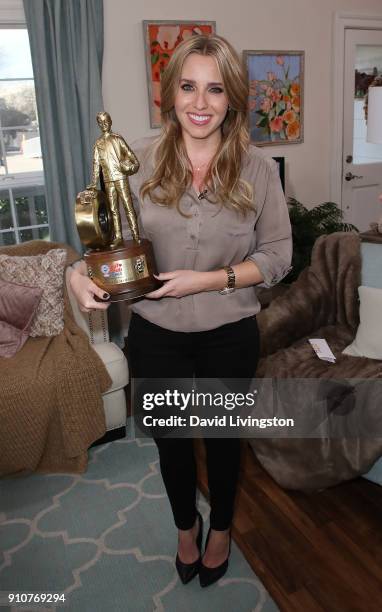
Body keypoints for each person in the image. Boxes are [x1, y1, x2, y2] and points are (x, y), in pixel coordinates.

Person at [69, 34, 292, 588]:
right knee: (171, 442)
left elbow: (279, 257)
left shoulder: (259, 169)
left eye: (215, 89)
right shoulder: (135, 159)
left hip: (229, 331)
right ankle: (185, 526)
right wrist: (77, 272)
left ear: (232, 97)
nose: (200, 102)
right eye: (189, 86)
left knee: (221, 442)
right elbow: (102, 238)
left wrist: (208, 280)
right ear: (170, 94)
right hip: (156, 334)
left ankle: (221, 529)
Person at [87, 111, 140, 246]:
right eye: (101, 122)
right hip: (108, 181)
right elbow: (95, 165)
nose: (104, 124)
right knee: (113, 210)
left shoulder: (117, 139)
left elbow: (133, 158)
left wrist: (130, 168)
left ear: (110, 122)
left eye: (106, 121)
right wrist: (93, 183)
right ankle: (118, 237)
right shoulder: (98, 143)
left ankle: (135, 235)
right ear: (98, 124)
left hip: (121, 178)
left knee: (129, 207)